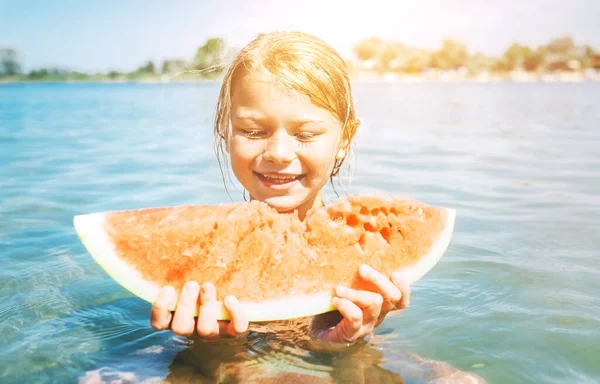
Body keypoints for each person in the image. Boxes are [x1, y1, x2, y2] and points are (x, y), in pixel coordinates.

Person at [149, 31, 412, 346]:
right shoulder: (197, 262)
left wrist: (340, 343)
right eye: (253, 130)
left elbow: (377, 353)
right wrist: (207, 348)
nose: (278, 152)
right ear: (225, 130)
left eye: (305, 135)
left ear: (344, 139)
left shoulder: (369, 271)